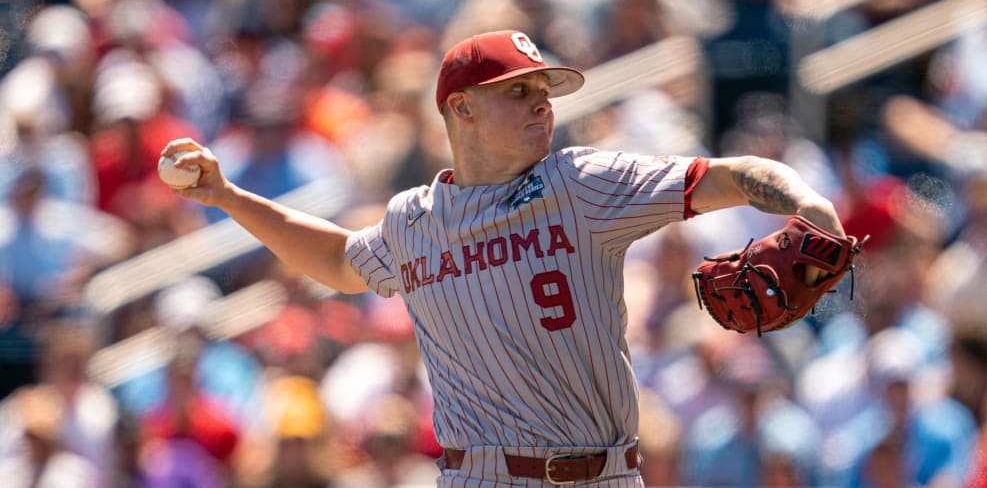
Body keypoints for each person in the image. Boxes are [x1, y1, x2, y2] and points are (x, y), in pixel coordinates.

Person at [161, 29, 846, 488]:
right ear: (460, 107)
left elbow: (730, 172)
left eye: (545, 93)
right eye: (519, 91)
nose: (541, 106)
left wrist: (807, 200)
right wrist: (228, 195)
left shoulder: (582, 184)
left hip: (605, 474)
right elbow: (339, 259)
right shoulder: (413, 221)